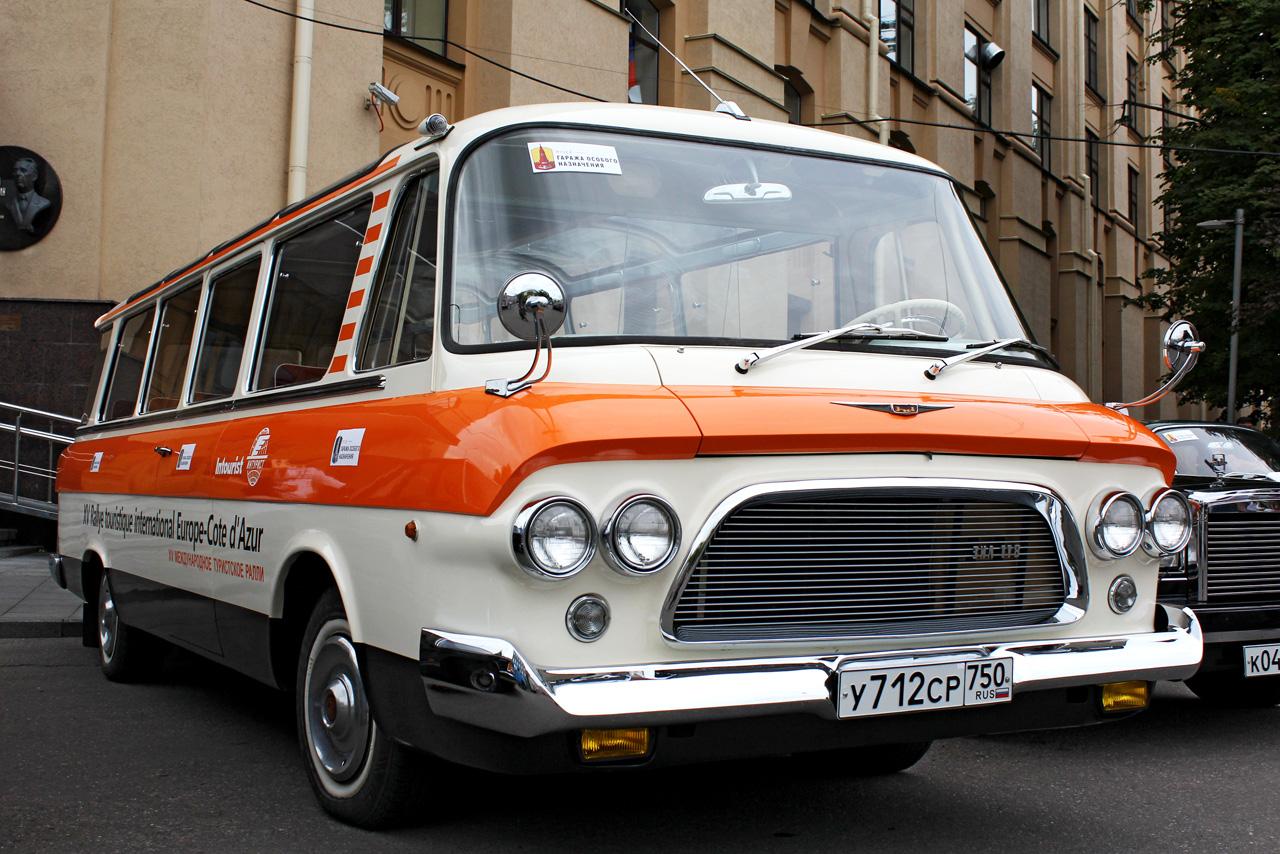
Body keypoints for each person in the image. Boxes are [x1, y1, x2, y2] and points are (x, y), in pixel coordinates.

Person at [3, 157, 50, 234]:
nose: (18, 174)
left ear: (34, 176)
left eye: (23, 170)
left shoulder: (44, 203)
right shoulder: (7, 204)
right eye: (15, 171)